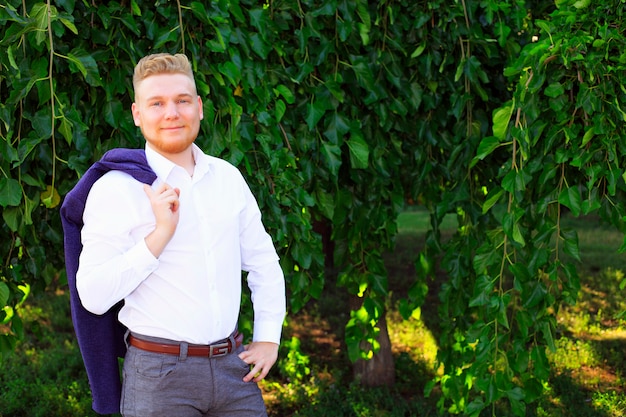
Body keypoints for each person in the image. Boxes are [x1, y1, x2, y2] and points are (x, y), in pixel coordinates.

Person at [68, 53, 286, 417]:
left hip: (234, 369)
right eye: (156, 103)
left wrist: (268, 337)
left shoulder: (227, 177)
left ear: (199, 108)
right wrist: (160, 235)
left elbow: (264, 263)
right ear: (138, 115)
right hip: (159, 376)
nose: (171, 112)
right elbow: (92, 295)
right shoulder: (116, 189)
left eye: (182, 101)